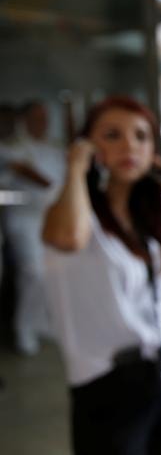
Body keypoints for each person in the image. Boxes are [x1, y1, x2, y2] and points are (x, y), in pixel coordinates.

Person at [42, 96, 161, 455]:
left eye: (141, 136)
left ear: (153, 151)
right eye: (112, 135)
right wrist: (76, 168)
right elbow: (70, 237)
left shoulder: (157, 207)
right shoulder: (72, 209)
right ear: (87, 145)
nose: (129, 146)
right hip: (108, 383)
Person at [0, 102, 64, 355]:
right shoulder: (13, 147)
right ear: (24, 120)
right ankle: (23, 328)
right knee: (33, 273)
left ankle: (42, 323)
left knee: (52, 272)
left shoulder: (54, 148)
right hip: (23, 220)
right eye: (36, 117)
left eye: (45, 117)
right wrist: (54, 188)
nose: (42, 123)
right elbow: (25, 171)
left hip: (51, 219)